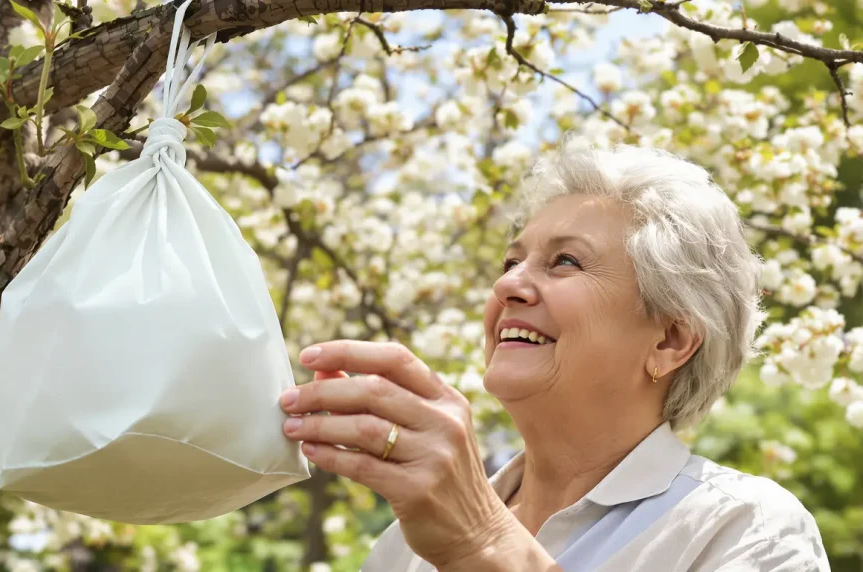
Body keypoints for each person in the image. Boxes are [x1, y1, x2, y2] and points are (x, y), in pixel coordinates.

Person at [278, 144, 830, 571]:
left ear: (669, 341)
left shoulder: (742, 527)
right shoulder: (407, 539)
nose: (508, 285)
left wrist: (482, 546)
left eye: (564, 261)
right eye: (510, 261)